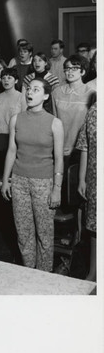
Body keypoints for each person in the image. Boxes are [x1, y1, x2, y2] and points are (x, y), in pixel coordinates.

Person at [1, 78, 64, 272]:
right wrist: (5, 181)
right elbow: (11, 151)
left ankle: (44, 276)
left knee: (44, 235)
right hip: (19, 180)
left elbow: (59, 159)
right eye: (29, 88)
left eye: (36, 90)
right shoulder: (16, 119)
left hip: (44, 183)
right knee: (24, 232)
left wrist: (57, 189)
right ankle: (28, 273)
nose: (30, 92)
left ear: (45, 96)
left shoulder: (55, 123)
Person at [76, 102, 97, 282]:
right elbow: (84, 147)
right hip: (95, 178)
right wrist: (82, 178)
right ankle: (93, 272)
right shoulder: (94, 110)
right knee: (95, 227)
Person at [0, 67, 26, 138]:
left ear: (16, 81)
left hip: (15, 135)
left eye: (9, 78)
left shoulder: (22, 97)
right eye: (3, 78)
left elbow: (25, 119)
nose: (6, 80)